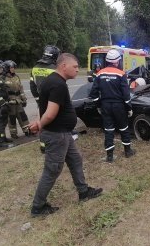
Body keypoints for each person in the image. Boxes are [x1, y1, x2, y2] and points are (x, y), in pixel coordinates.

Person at [28, 53, 103, 217]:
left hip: (64, 134)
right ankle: (38, 206)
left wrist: (39, 121)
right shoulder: (57, 84)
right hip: (56, 135)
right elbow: (50, 113)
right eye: (75, 67)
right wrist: (40, 124)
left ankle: (83, 191)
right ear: (63, 66)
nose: (78, 70)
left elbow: (44, 108)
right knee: (52, 170)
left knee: (75, 160)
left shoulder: (53, 81)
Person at [89, 49, 136, 163]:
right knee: (123, 127)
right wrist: (129, 108)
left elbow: (93, 94)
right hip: (119, 106)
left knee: (108, 129)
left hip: (105, 105)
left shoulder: (99, 74)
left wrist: (99, 105)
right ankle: (128, 151)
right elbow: (126, 94)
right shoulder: (121, 74)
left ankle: (109, 156)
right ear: (116, 62)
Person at [30, 45, 61, 152]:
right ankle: (54, 144)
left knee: (42, 121)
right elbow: (59, 86)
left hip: (41, 100)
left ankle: (43, 145)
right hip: (53, 100)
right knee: (54, 122)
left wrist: (38, 99)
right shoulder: (55, 69)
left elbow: (32, 86)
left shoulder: (35, 68)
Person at [2, 60, 30, 139]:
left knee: (23, 116)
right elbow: (2, 92)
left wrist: (24, 99)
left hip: (18, 101)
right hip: (10, 102)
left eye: (14, 67)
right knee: (12, 118)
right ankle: (13, 133)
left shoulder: (16, 77)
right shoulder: (3, 78)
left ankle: (27, 130)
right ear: (7, 68)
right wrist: (5, 102)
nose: (13, 69)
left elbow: (21, 89)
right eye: (11, 68)